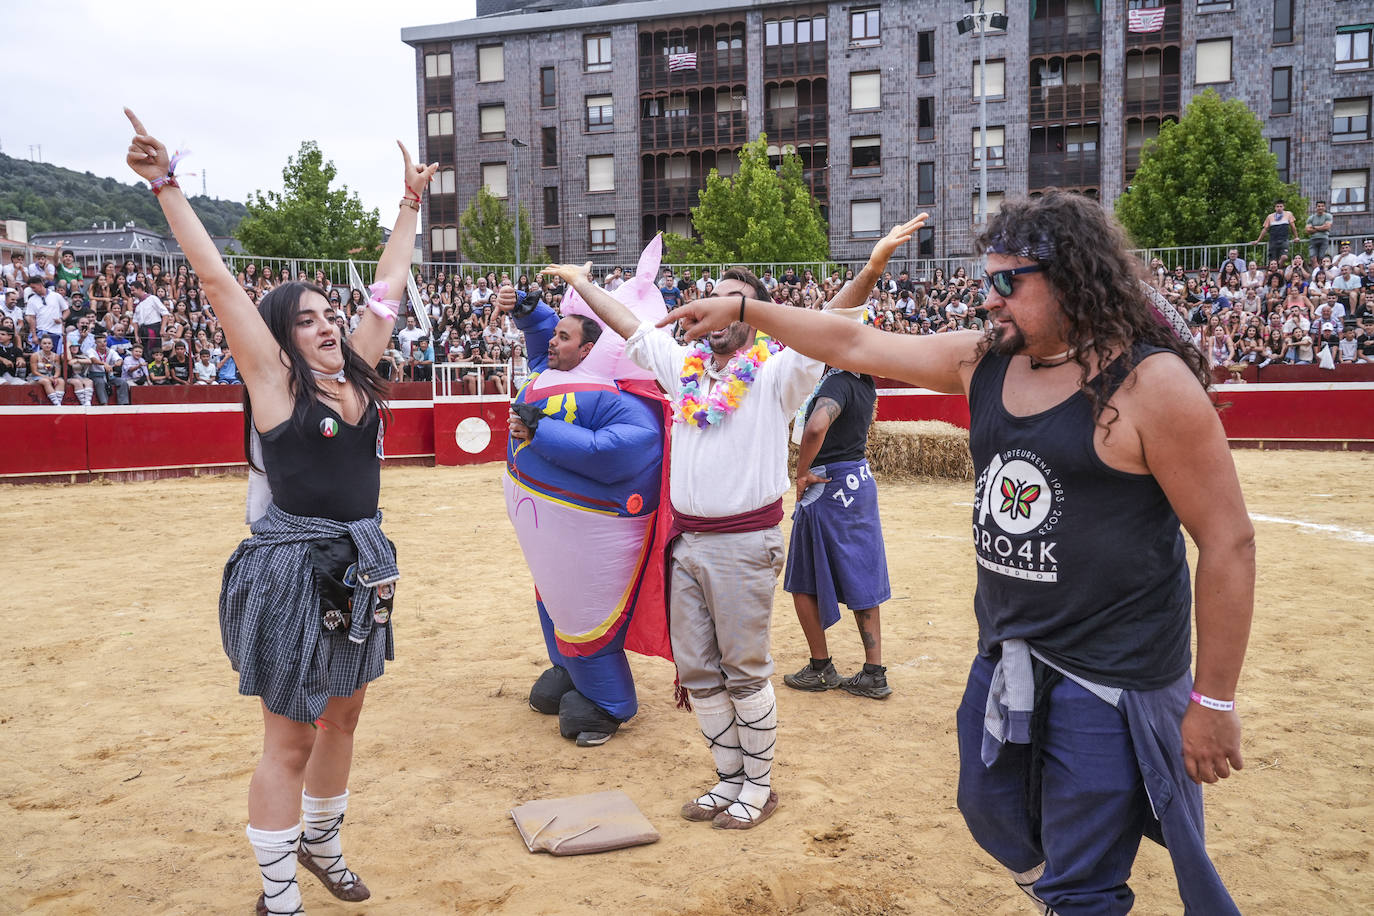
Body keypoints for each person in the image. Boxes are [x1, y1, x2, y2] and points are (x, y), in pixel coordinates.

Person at [662, 193, 1253, 913]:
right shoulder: (986, 361)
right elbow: (850, 345)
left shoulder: (1150, 386)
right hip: (1008, 655)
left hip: (1113, 676)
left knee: (1083, 875)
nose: (990, 297)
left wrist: (1213, 701)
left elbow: (1228, 542)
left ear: (1070, 278)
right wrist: (747, 312)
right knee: (989, 810)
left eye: (1009, 282)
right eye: (987, 279)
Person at [126, 108, 436, 916]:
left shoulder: (357, 375)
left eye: (330, 314)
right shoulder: (274, 384)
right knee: (290, 736)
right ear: (279, 339)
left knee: (346, 716)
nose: (329, 324)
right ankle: (277, 897)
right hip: (293, 569)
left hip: (359, 562)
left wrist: (409, 207)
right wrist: (166, 186)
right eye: (308, 318)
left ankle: (323, 849)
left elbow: (387, 289)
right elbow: (220, 282)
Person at [542, 252, 829, 832]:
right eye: (713, 296)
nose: (718, 308)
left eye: (734, 300)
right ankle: (729, 779)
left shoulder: (777, 375)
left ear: (755, 315)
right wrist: (581, 284)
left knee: (743, 672)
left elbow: (829, 327)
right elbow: (630, 327)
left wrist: (873, 267)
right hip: (688, 544)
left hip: (746, 543)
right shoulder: (686, 368)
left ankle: (760, 785)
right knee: (698, 672)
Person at [496, 240, 671, 748]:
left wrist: (542, 433)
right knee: (552, 606)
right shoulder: (558, 372)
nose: (552, 341)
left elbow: (620, 451)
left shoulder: (625, 401)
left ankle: (607, 703)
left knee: (582, 613)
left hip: (593, 537)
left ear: (591, 347)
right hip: (547, 539)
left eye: (563, 336)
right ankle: (569, 672)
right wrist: (531, 313)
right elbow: (542, 342)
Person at [781, 332, 892, 700]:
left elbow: (815, 427)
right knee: (862, 571)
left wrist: (802, 472)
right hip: (857, 480)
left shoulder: (838, 381)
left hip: (827, 482)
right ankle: (873, 672)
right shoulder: (864, 382)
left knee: (802, 576)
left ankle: (821, 667)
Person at [1256, 199, 1297, 266]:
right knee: (1273, 261)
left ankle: (1278, 268)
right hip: (1273, 241)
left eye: (1281, 206)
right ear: (1275, 208)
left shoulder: (1288, 214)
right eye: (1277, 206)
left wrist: (1296, 237)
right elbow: (1265, 229)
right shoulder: (1270, 216)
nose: (1279, 208)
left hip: (1284, 240)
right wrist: (1258, 240)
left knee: (1284, 257)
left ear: (1283, 207)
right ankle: (1275, 271)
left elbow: (1293, 227)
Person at [1305, 200, 1334, 265]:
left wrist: (1314, 227)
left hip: (1324, 238)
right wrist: (1321, 227)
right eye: (1319, 206)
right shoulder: (1311, 217)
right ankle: (1317, 273)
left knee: (1321, 258)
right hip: (1313, 239)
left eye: (1322, 206)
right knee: (1313, 258)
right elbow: (1307, 230)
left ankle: (1321, 273)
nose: (1320, 207)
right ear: (1316, 207)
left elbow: (1327, 227)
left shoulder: (1328, 216)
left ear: (1325, 207)